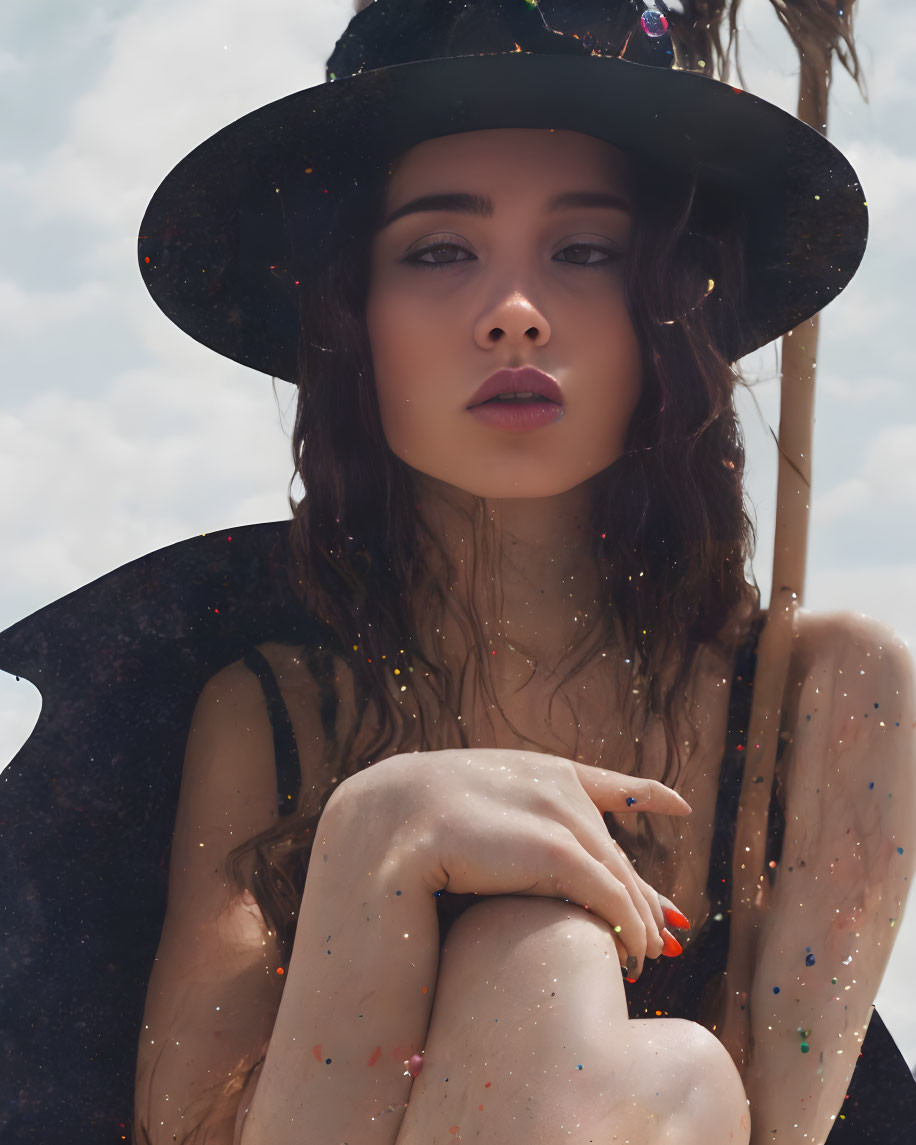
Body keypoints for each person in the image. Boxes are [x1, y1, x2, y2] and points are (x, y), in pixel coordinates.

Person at [1, 2, 912, 1143]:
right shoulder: (277, 714)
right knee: (534, 952)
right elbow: (184, 1129)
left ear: (666, 313)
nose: (516, 317)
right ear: (351, 319)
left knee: (640, 1040)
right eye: (439, 251)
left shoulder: (815, 698)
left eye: (585, 251)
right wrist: (381, 841)